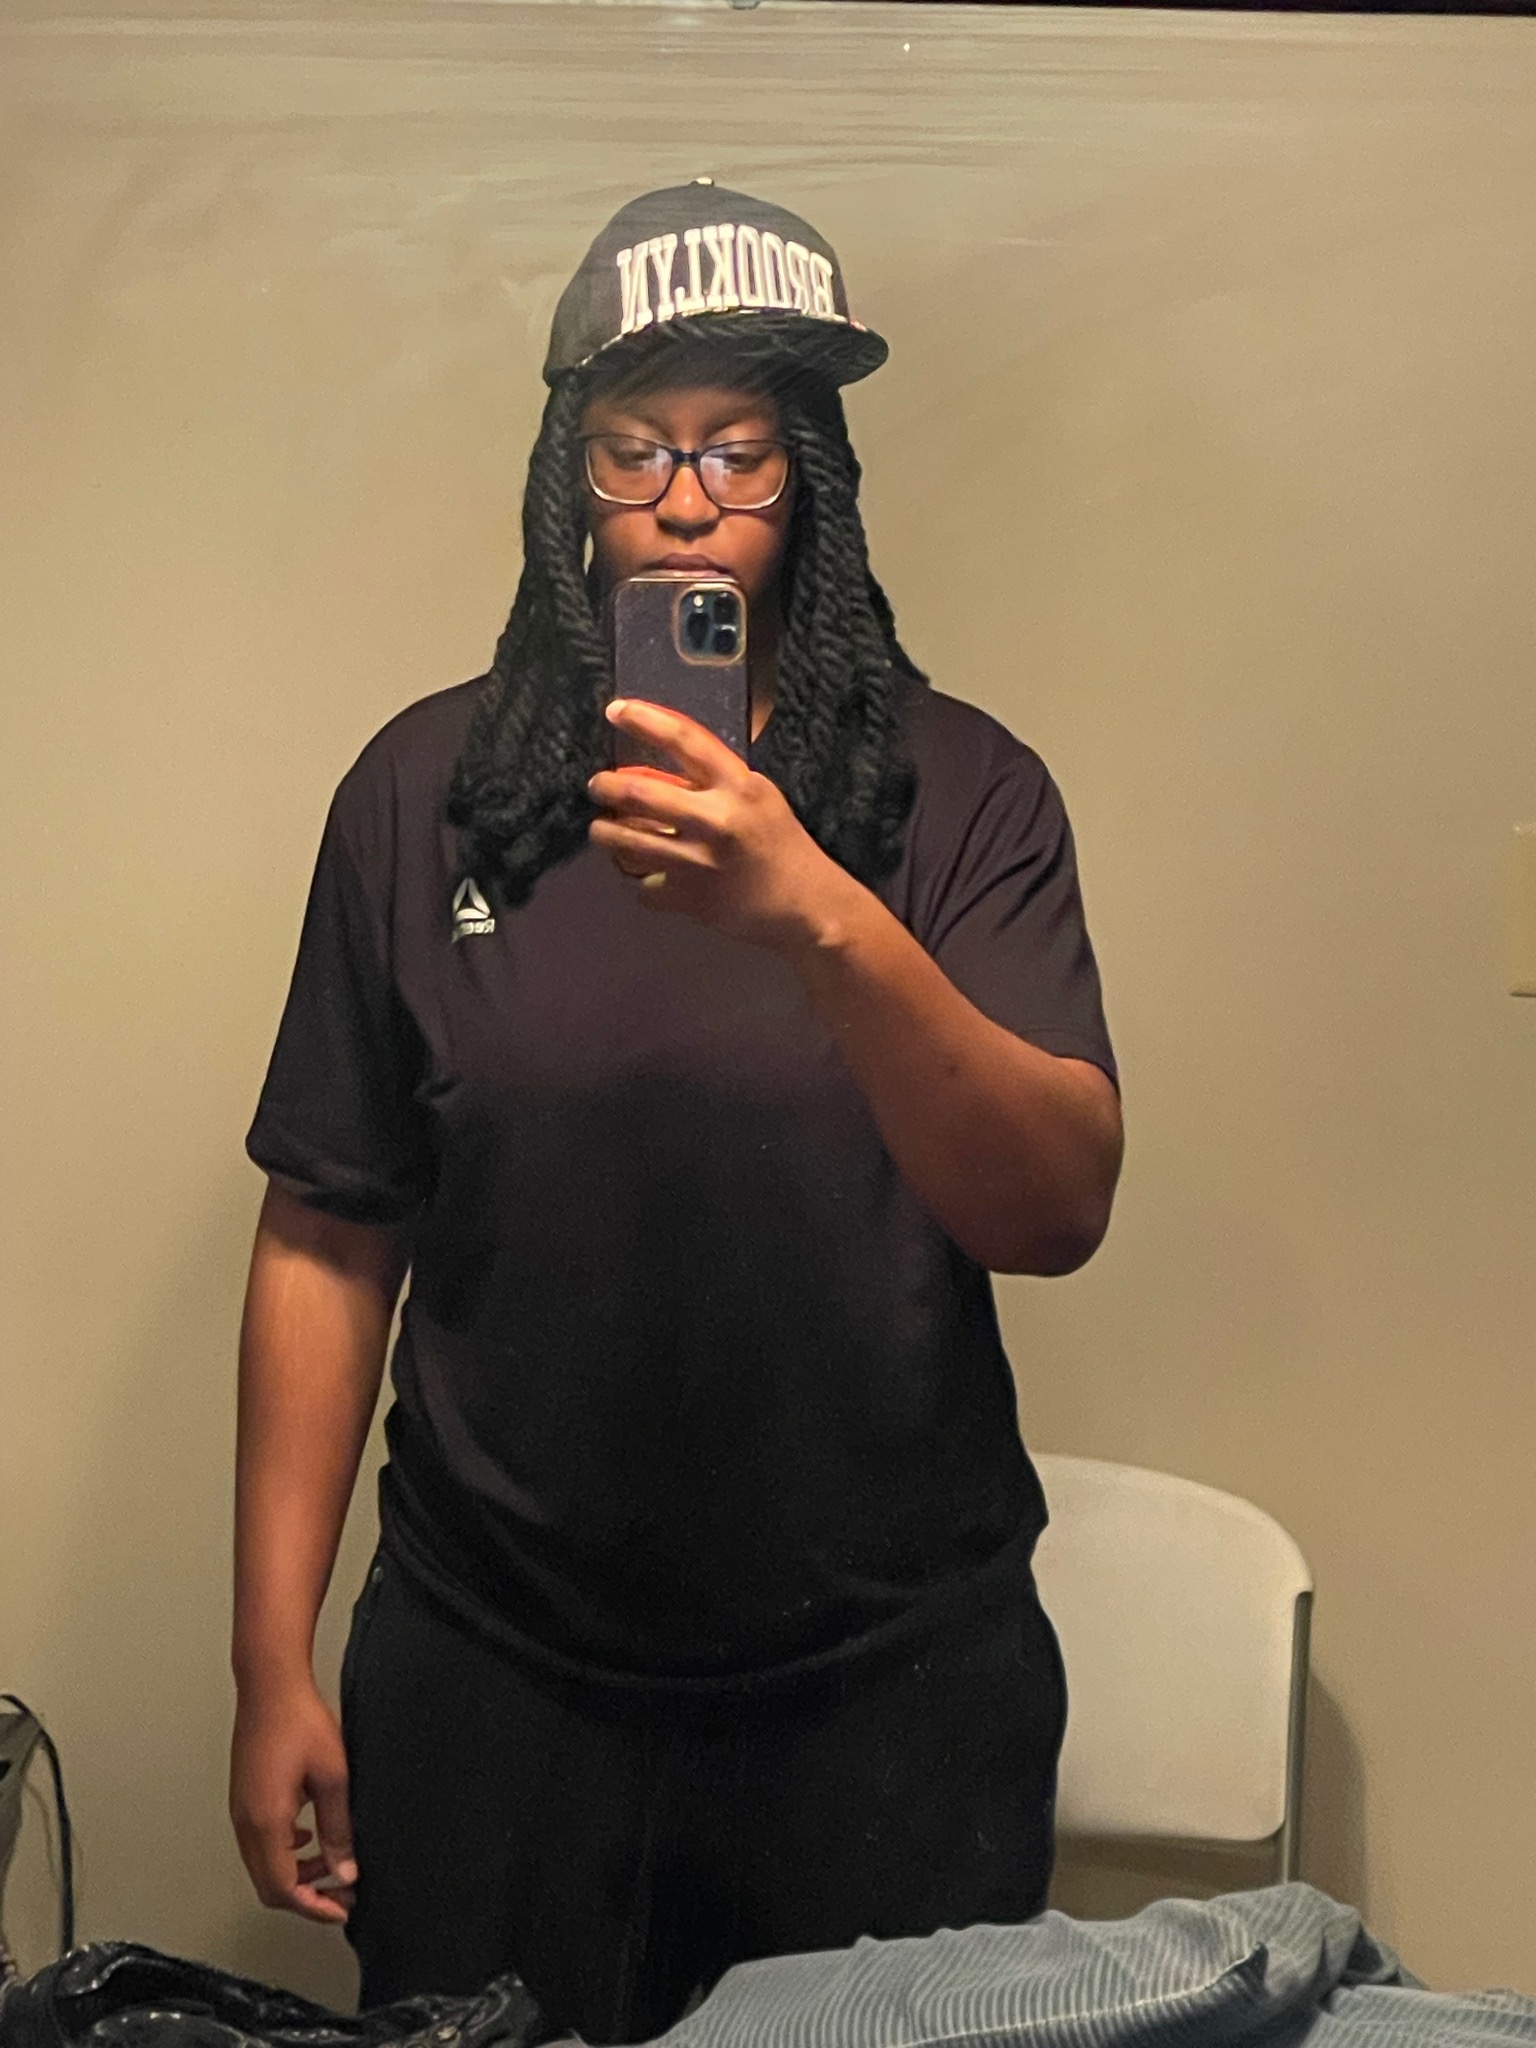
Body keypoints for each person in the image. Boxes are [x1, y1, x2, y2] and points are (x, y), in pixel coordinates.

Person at [229, 181, 1124, 2047]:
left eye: (741, 449)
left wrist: (815, 912)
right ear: (570, 476)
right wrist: (268, 1660)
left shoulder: (962, 794)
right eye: (638, 449)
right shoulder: (424, 791)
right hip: (492, 1681)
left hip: (890, 1692)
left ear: (816, 482)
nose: (691, 497)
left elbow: (1051, 1207)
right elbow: (328, 1227)